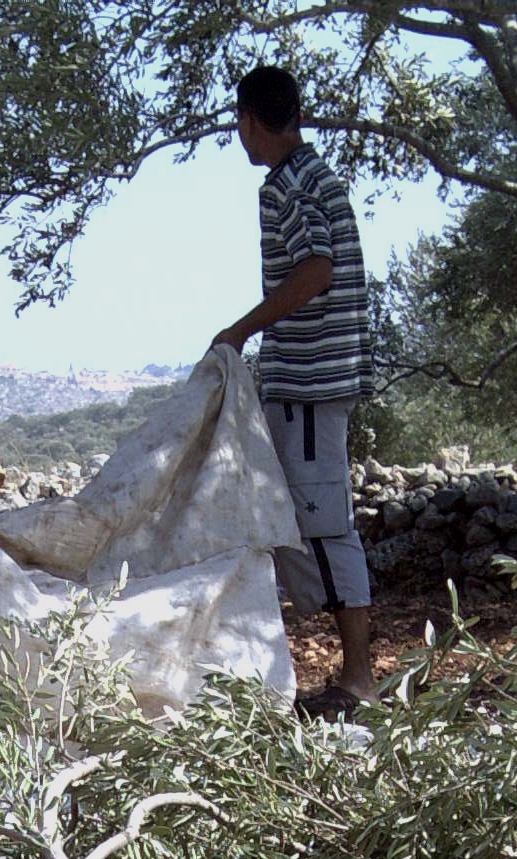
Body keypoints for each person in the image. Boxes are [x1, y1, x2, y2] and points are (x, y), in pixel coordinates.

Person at [211, 64, 376, 718]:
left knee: (324, 525)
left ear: (251, 120)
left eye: (240, 123)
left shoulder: (288, 185)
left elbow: (316, 268)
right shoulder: (315, 175)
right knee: (308, 520)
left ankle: (359, 680)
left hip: (311, 381)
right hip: (319, 378)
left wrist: (241, 330)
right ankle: (345, 674)